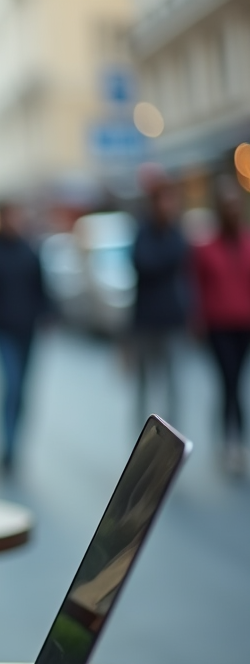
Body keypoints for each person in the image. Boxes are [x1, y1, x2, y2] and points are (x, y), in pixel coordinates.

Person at [0, 201, 49, 475]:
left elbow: (42, 289)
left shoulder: (29, 252)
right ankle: (7, 445)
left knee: (22, 391)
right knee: (11, 386)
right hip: (2, 330)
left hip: (27, 330)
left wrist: (47, 315)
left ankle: (16, 445)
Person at [191, 177, 250, 474]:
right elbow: (196, 286)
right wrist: (197, 320)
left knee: (236, 382)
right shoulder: (205, 248)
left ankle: (234, 439)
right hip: (218, 325)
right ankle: (231, 441)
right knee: (229, 382)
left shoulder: (247, 243)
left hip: (244, 324)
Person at [130, 181, 189, 425]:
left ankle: (173, 436)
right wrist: (167, 258)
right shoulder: (144, 232)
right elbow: (143, 263)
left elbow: (182, 261)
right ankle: (142, 436)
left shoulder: (176, 233)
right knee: (144, 382)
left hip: (172, 319)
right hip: (146, 320)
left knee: (173, 380)